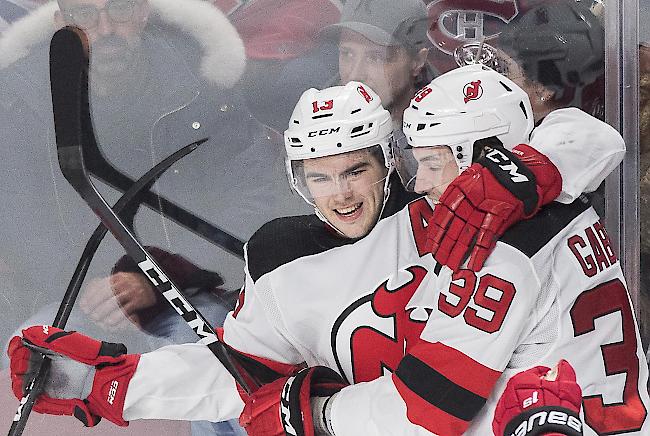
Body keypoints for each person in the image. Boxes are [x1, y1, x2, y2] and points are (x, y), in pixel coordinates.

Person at [8, 71, 642, 435]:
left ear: (386, 163)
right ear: (297, 180)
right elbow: (238, 376)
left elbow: (582, 134)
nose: (340, 193)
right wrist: (106, 384)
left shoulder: (465, 223)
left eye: (356, 169)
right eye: (320, 175)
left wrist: (519, 173)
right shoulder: (286, 264)